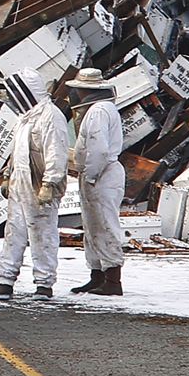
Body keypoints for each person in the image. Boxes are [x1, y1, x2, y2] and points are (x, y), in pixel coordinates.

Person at [0, 68, 68, 301]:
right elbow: (16, 150)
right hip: (19, 183)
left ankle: (44, 285)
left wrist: (50, 183)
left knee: (42, 234)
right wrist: (7, 175)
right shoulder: (25, 117)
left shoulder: (51, 116)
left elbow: (57, 152)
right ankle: (5, 281)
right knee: (13, 232)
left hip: (39, 184)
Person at [66, 68, 125, 296]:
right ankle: (98, 276)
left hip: (101, 174)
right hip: (100, 173)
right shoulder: (101, 109)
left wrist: (90, 175)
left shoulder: (98, 111)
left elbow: (99, 149)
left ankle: (112, 281)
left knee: (104, 225)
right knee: (93, 226)